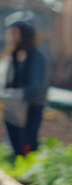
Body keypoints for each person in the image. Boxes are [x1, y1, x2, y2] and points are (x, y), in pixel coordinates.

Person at [0, 14, 49, 156]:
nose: (12, 37)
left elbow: (37, 88)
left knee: (28, 145)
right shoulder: (13, 57)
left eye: (15, 33)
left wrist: (15, 94)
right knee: (16, 145)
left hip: (31, 108)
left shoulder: (37, 58)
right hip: (13, 110)